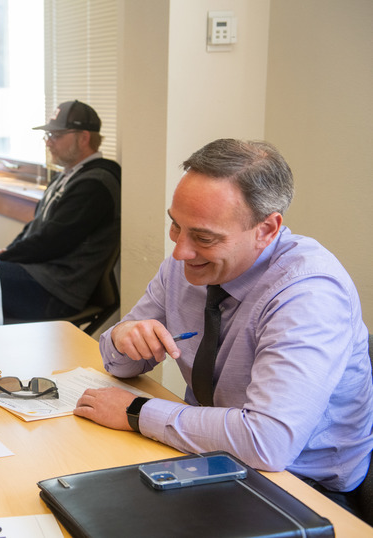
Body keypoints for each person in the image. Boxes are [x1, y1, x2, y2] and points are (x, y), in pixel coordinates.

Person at [74, 138, 372, 514]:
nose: (180, 251)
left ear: (267, 229)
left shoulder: (310, 295)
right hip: (209, 455)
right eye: (175, 226)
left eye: (203, 237)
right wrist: (122, 337)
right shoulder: (187, 266)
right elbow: (121, 365)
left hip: (300, 486)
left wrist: (136, 412)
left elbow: (267, 443)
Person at [0, 100, 120, 322]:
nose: (48, 142)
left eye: (56, 135)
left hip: (56, 292)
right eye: (48, 136)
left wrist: (7, 257)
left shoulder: (97, 183)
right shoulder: (67, 175)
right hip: (37, 277)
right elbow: (36, 228)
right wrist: (7, 254)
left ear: (83, 138)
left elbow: (55, 239)